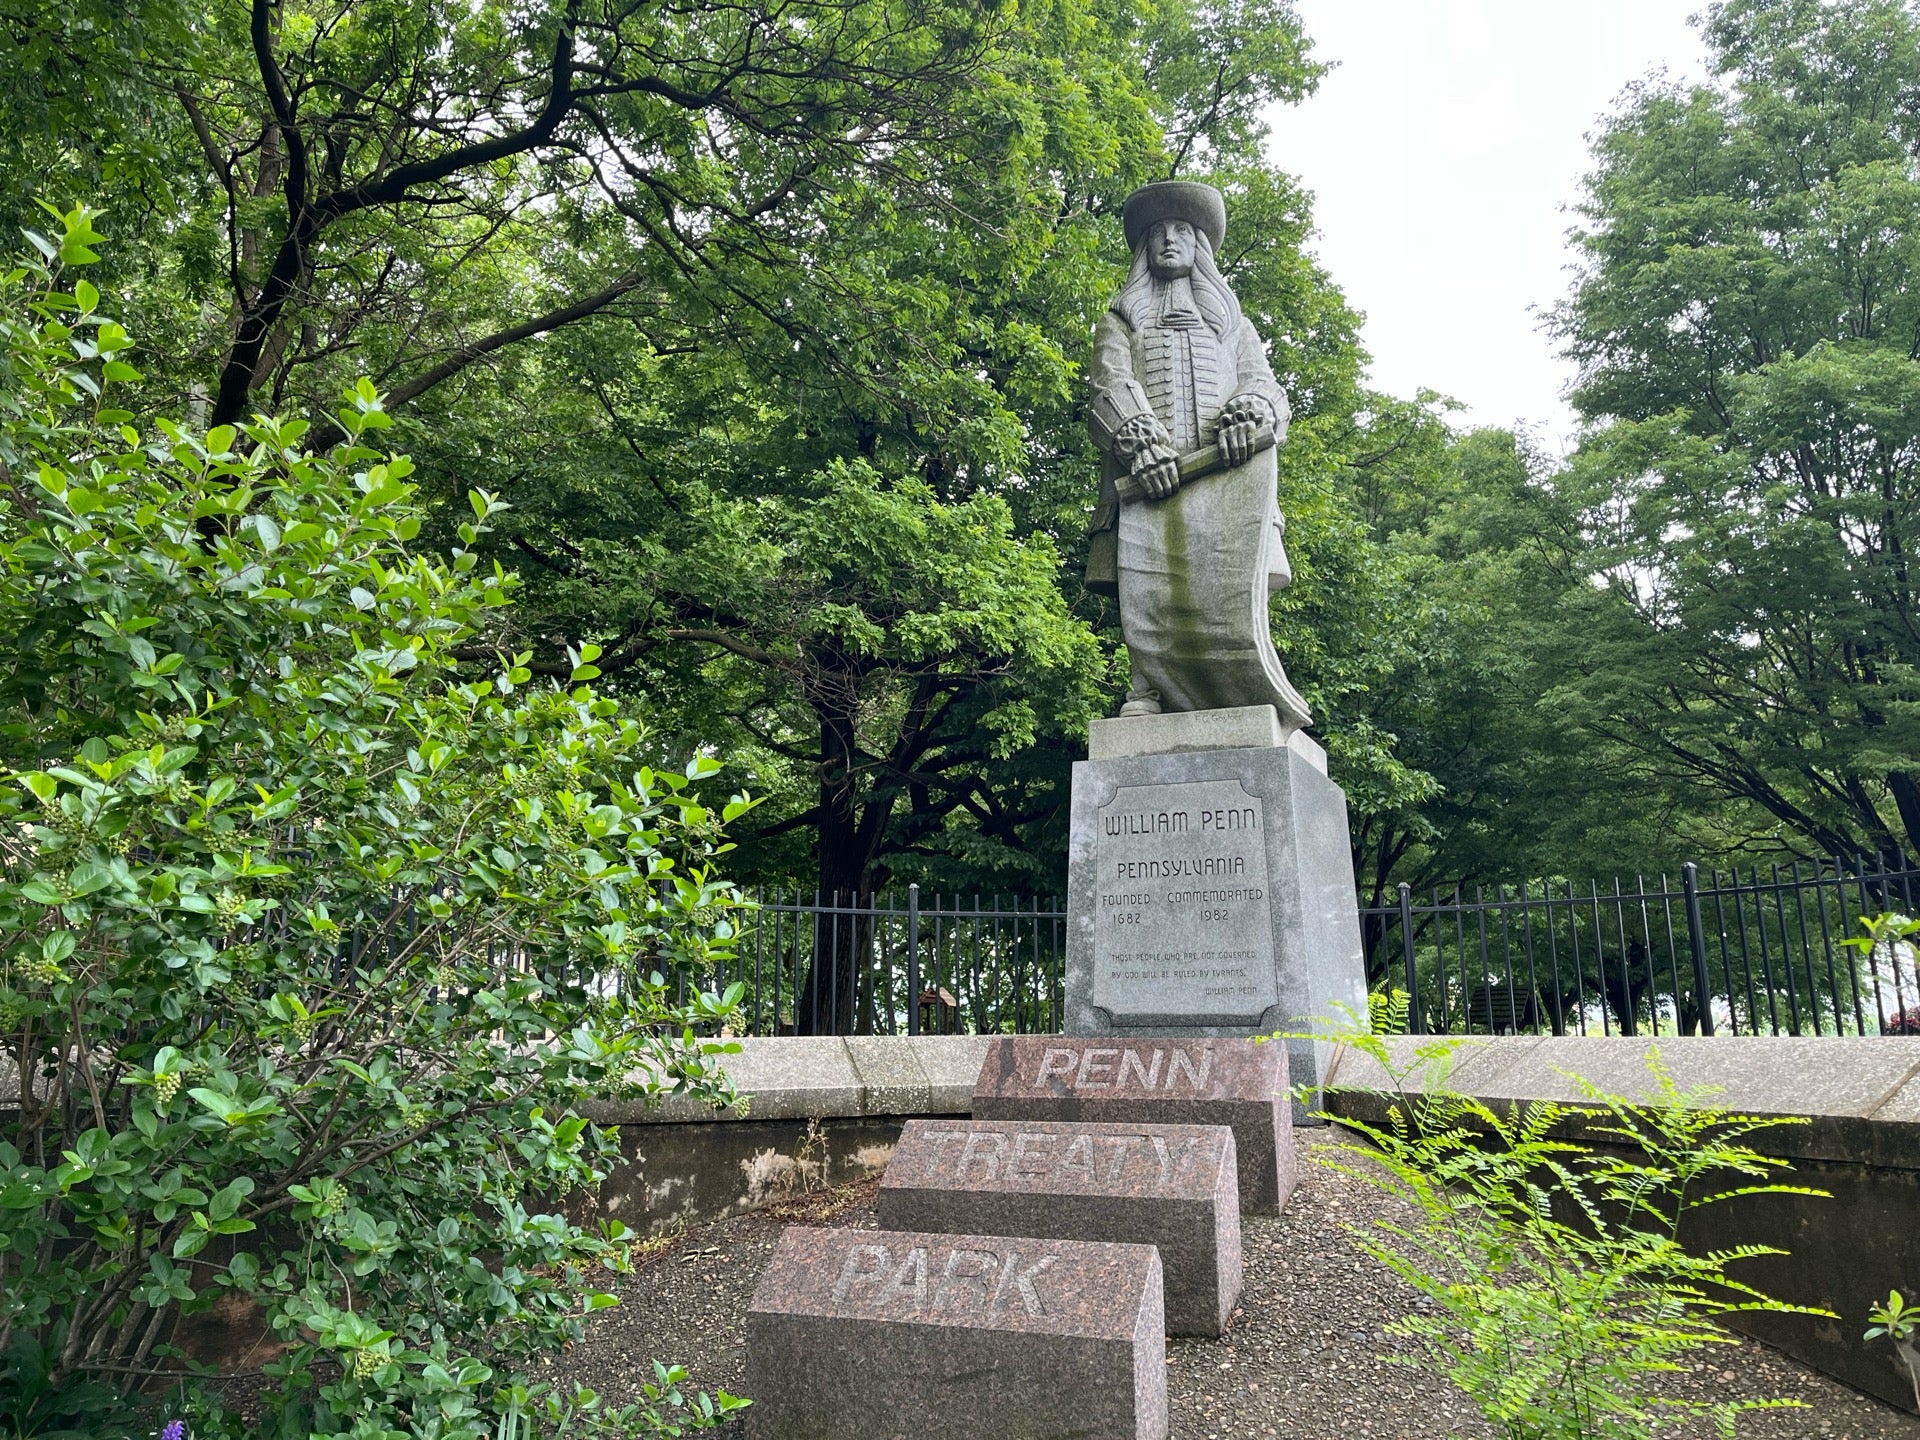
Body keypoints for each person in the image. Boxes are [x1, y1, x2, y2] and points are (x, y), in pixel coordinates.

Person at [1085, 181, 1311, 727]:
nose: (1169, 240)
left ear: (1198, 245)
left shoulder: (1234, 327)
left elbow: (1263, 384)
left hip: (1224, 478)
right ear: (1145, 249)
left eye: (1181, 231)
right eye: (1158, 233)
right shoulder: (1120, 322)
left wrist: (1247, 415)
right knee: (1147, 588)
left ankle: (1241, 684)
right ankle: (1147, 688)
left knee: (1230, 585)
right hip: (1149, 480)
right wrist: (1141, 443)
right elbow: (1108, 383)